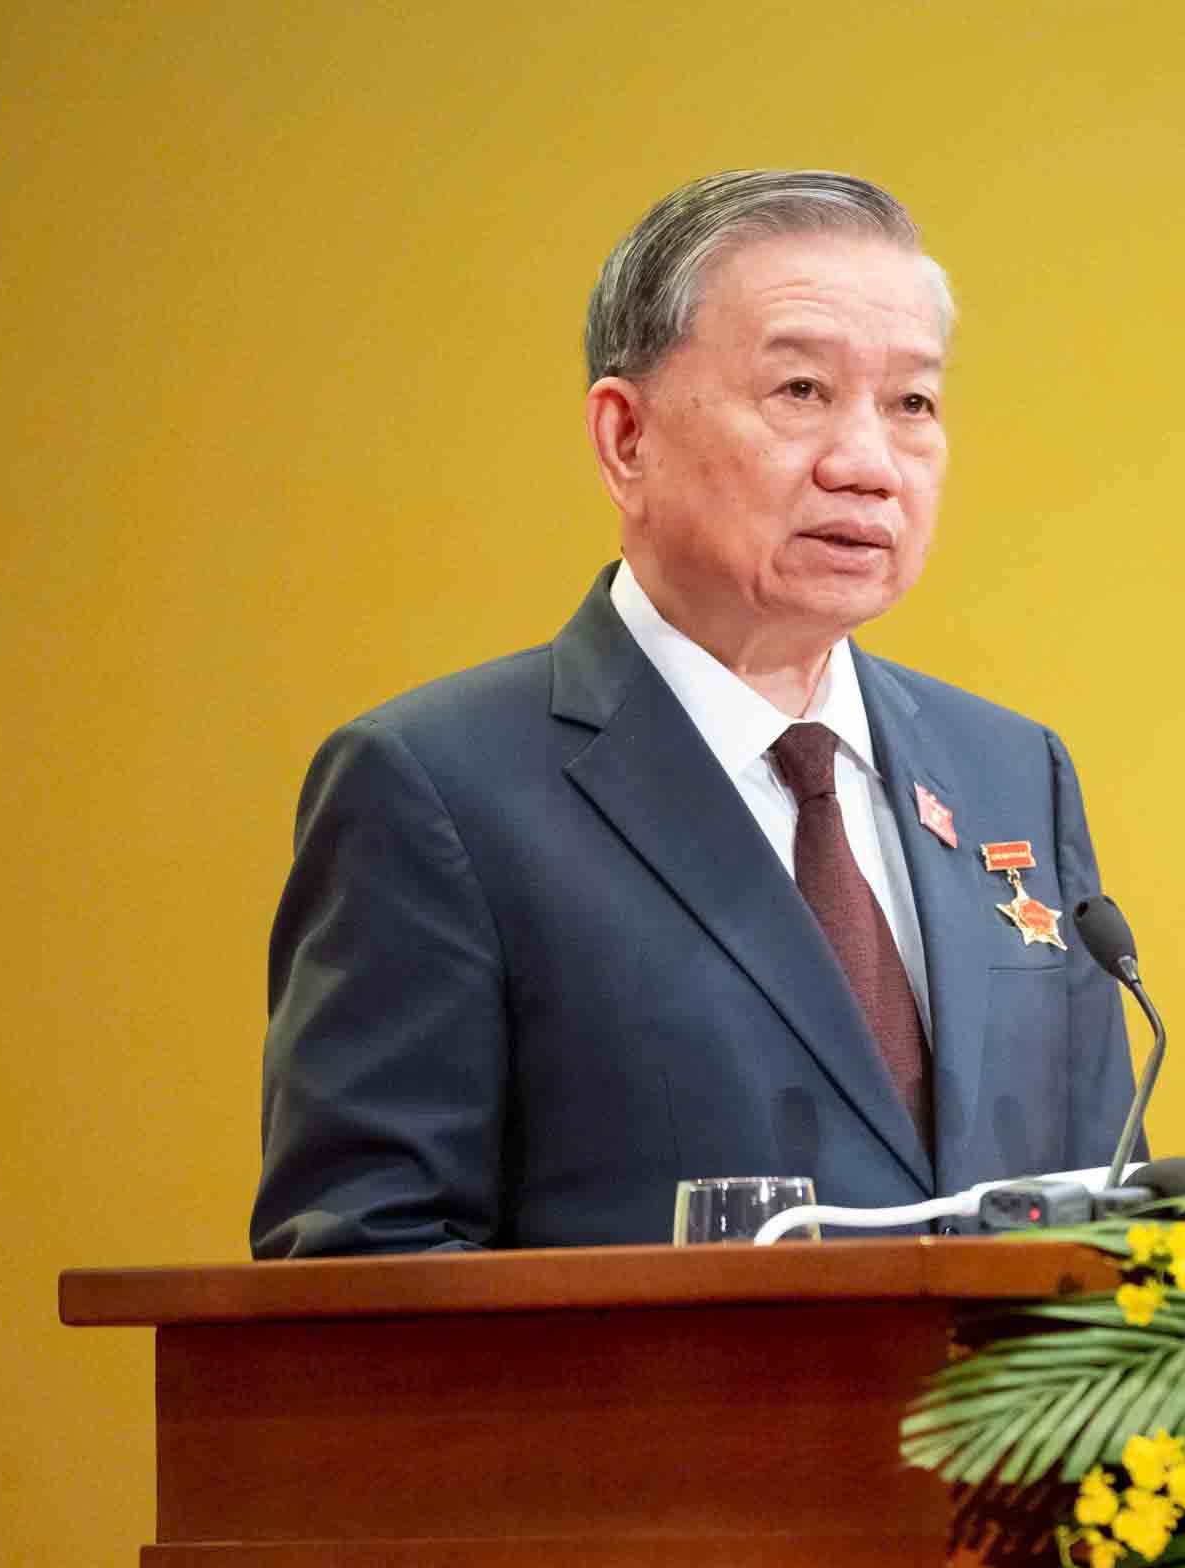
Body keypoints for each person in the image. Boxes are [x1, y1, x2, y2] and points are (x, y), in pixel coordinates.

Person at [251, 170, 1135, 1256]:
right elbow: (366, 1258)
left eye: (912, 403)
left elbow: (1108, 1210)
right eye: (800, 391)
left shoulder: (1010, 770)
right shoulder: (436, 787)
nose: (867, 465)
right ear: (626, 439)